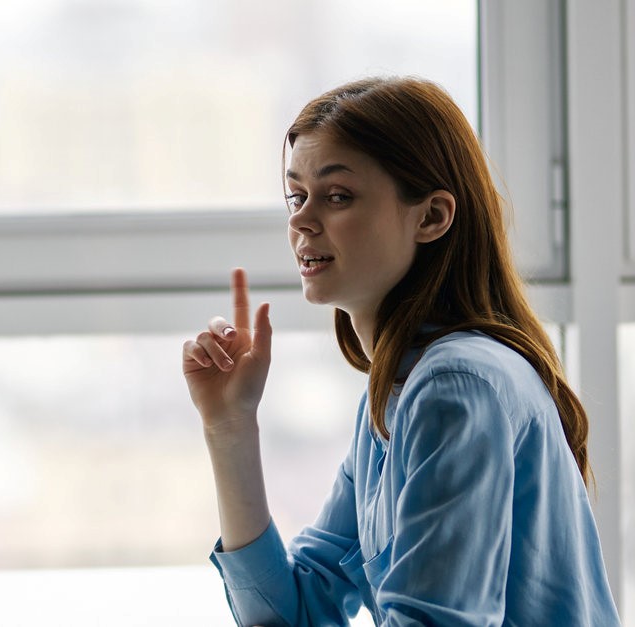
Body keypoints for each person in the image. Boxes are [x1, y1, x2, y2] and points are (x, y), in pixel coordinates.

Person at [182, 76, 620, 625]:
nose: (300, 219)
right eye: (297, 195)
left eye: (337, 195)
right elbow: (296, 614)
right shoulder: (392, 400)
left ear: (432, 217)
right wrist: (230, 431)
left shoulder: (457, 386)